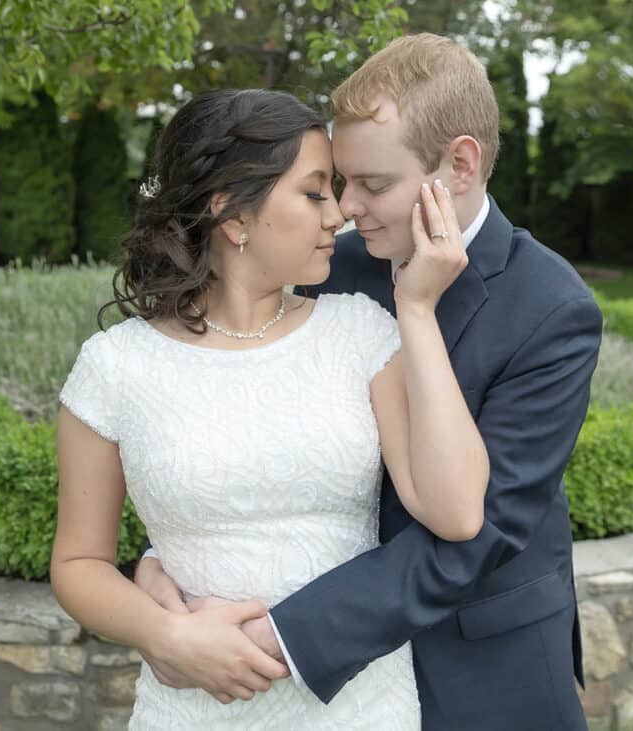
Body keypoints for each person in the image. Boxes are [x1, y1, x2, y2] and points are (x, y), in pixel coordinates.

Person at [136, 34, 603, 730]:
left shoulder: (553, 310)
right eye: (340, 180)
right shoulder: (332, 268)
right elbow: (253, 428)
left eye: (374, 184)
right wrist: (172, 553)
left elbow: (477, 534)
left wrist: (281, 635)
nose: (346, 206)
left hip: (483, 668)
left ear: (461, 164)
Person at [50, 87, 490, 729]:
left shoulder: (362, 332)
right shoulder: (115, 365)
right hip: (192, 708)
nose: (338, 213)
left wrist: (416, 310)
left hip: (361, 707)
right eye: (314, 192)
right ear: (232, 214)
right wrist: (165, 636)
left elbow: (455, 512)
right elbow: (78, 563)